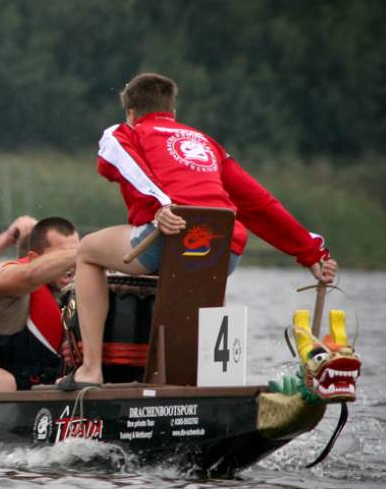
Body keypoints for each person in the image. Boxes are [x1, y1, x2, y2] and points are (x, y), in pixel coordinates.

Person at [61, 72, 338, 389]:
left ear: (131, 112)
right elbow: (258, 203)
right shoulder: (206, 143)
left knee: (87, 252)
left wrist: (161, 204)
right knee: (193, 275)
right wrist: (311, 252)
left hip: (169, 235)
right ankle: (200, 381)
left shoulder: (125, 132)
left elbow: (115, 162)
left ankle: (90, 370)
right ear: (173, 112)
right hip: (224, 250)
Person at [0, 217, 79, 391]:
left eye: (73, 255)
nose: (70, 264)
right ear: (34, 258)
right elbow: (28, 276)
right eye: (62, 256)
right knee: (0, 380)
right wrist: (89, 250)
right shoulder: (11, 279)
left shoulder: (80, 291)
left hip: (53, 390)